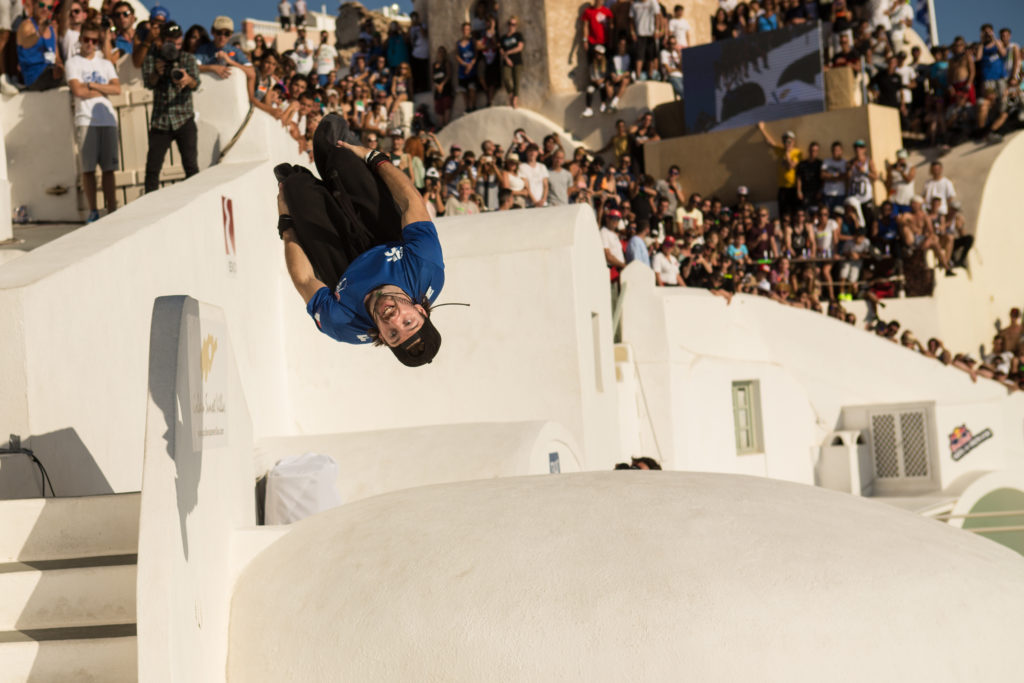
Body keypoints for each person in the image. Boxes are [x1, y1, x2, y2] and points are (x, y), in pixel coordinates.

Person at [277, 115, 445, 366]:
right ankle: (341, 146)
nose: (394, 320)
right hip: (386, 237)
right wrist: (375, 158)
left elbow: (304, 279)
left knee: (294, 186)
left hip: (344, 269)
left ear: (382, 338)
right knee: (339, 154)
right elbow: (410, 201)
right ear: (420, 310)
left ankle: (299, 183)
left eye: (393, 334)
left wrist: (287, 224)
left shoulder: (343, 325)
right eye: (408, 322)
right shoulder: (427, 268)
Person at [66, 22, 120, 222]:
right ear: (80, 39)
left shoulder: (105, 64)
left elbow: (117, 89)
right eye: (86, 39)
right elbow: (77, 91)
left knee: (109, 169)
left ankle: (112, 209)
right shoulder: (73, 63)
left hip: (108, 120)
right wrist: (102, 89)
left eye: (94, 41)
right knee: (88, 169)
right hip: (86, 119)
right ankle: (93, 211)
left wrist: (91, 85)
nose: (90, 44)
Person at [142, 22, 200, 193]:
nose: (174, 48)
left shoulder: (187, 58)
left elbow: (196, 84)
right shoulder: (152, 58)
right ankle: (150, 204)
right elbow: (148, 84)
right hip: (160, 121)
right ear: (161, 41)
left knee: (191, 166)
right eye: (170, 43)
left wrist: (187, 80)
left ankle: (195, 200)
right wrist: (157, 72)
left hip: (184, 118)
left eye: (178, 43)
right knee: (152, 169)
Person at [16, 0, 64, 90]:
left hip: (50, 72)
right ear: (34, 4)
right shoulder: (26, 25)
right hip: (34, 77)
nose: (45, 9)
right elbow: (26, 43)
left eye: (49, 7)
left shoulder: (52, 29)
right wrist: (40, 32)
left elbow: (57, 57)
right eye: (42, 5)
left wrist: (60, 67)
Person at [757, 122, 802, 217]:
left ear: (793, 141)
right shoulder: (781, 150)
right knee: (783, 213)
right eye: (785, 141)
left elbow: (790, 166)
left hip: (793, 188)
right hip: (782, 188)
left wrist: (787, 154)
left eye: (789, 141)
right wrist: (762, 129)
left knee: (793, 213)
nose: (787, 143)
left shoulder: (797, 152)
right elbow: (770, 143)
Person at [499, 16, 524, 109]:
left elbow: (520, 47)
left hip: (517, 60)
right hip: (506, 61)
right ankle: (511, 94)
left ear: (516, 25)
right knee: (506, 78)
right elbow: (501, 50)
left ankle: (514, 100)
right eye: (510, 24)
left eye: (513, 24)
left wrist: (508, 52)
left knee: (516, 80)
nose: (511, 26)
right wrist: (507, 58)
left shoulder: (518, 35)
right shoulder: (503, 38)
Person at [454, 22, 478, 113]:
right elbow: (457, 56)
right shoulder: (458, 43)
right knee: (464, 90)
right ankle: (467, 108)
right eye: (464, 29)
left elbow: (476, 54)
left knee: (472, 88)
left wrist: (470, 65)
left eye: (467, 29)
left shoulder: (472, 42)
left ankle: (473, 107)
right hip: (462, 70)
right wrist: (464, 64)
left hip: (472, 69)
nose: (466, 31)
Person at [518, 143, 549, 207]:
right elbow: (526, 187)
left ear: (537, 153)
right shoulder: (522, 167)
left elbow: (546, 186)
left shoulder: (542, 166)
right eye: (530, 150)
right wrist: (535, 202)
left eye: (534, 151)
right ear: (526, 153)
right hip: (530, 204)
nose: (532, 153)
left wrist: (543, 200)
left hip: (543, 204)